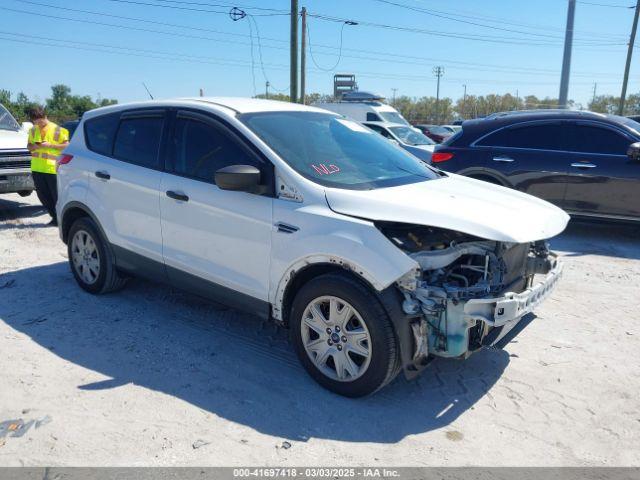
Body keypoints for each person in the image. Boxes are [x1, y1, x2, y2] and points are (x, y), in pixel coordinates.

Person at [26, 106, 69, 226]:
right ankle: (54, 217)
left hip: (52, 168)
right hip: (37, 168)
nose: (38, 124)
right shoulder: (33, 130)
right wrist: (33, 146)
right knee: (42, 196)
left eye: (40, 121)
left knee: (56, 196)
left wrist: (50, 145)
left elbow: (67, 146)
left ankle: (61, 219)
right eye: (35, 122)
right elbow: (28, 146)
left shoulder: (58, 129)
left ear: (45, 117)